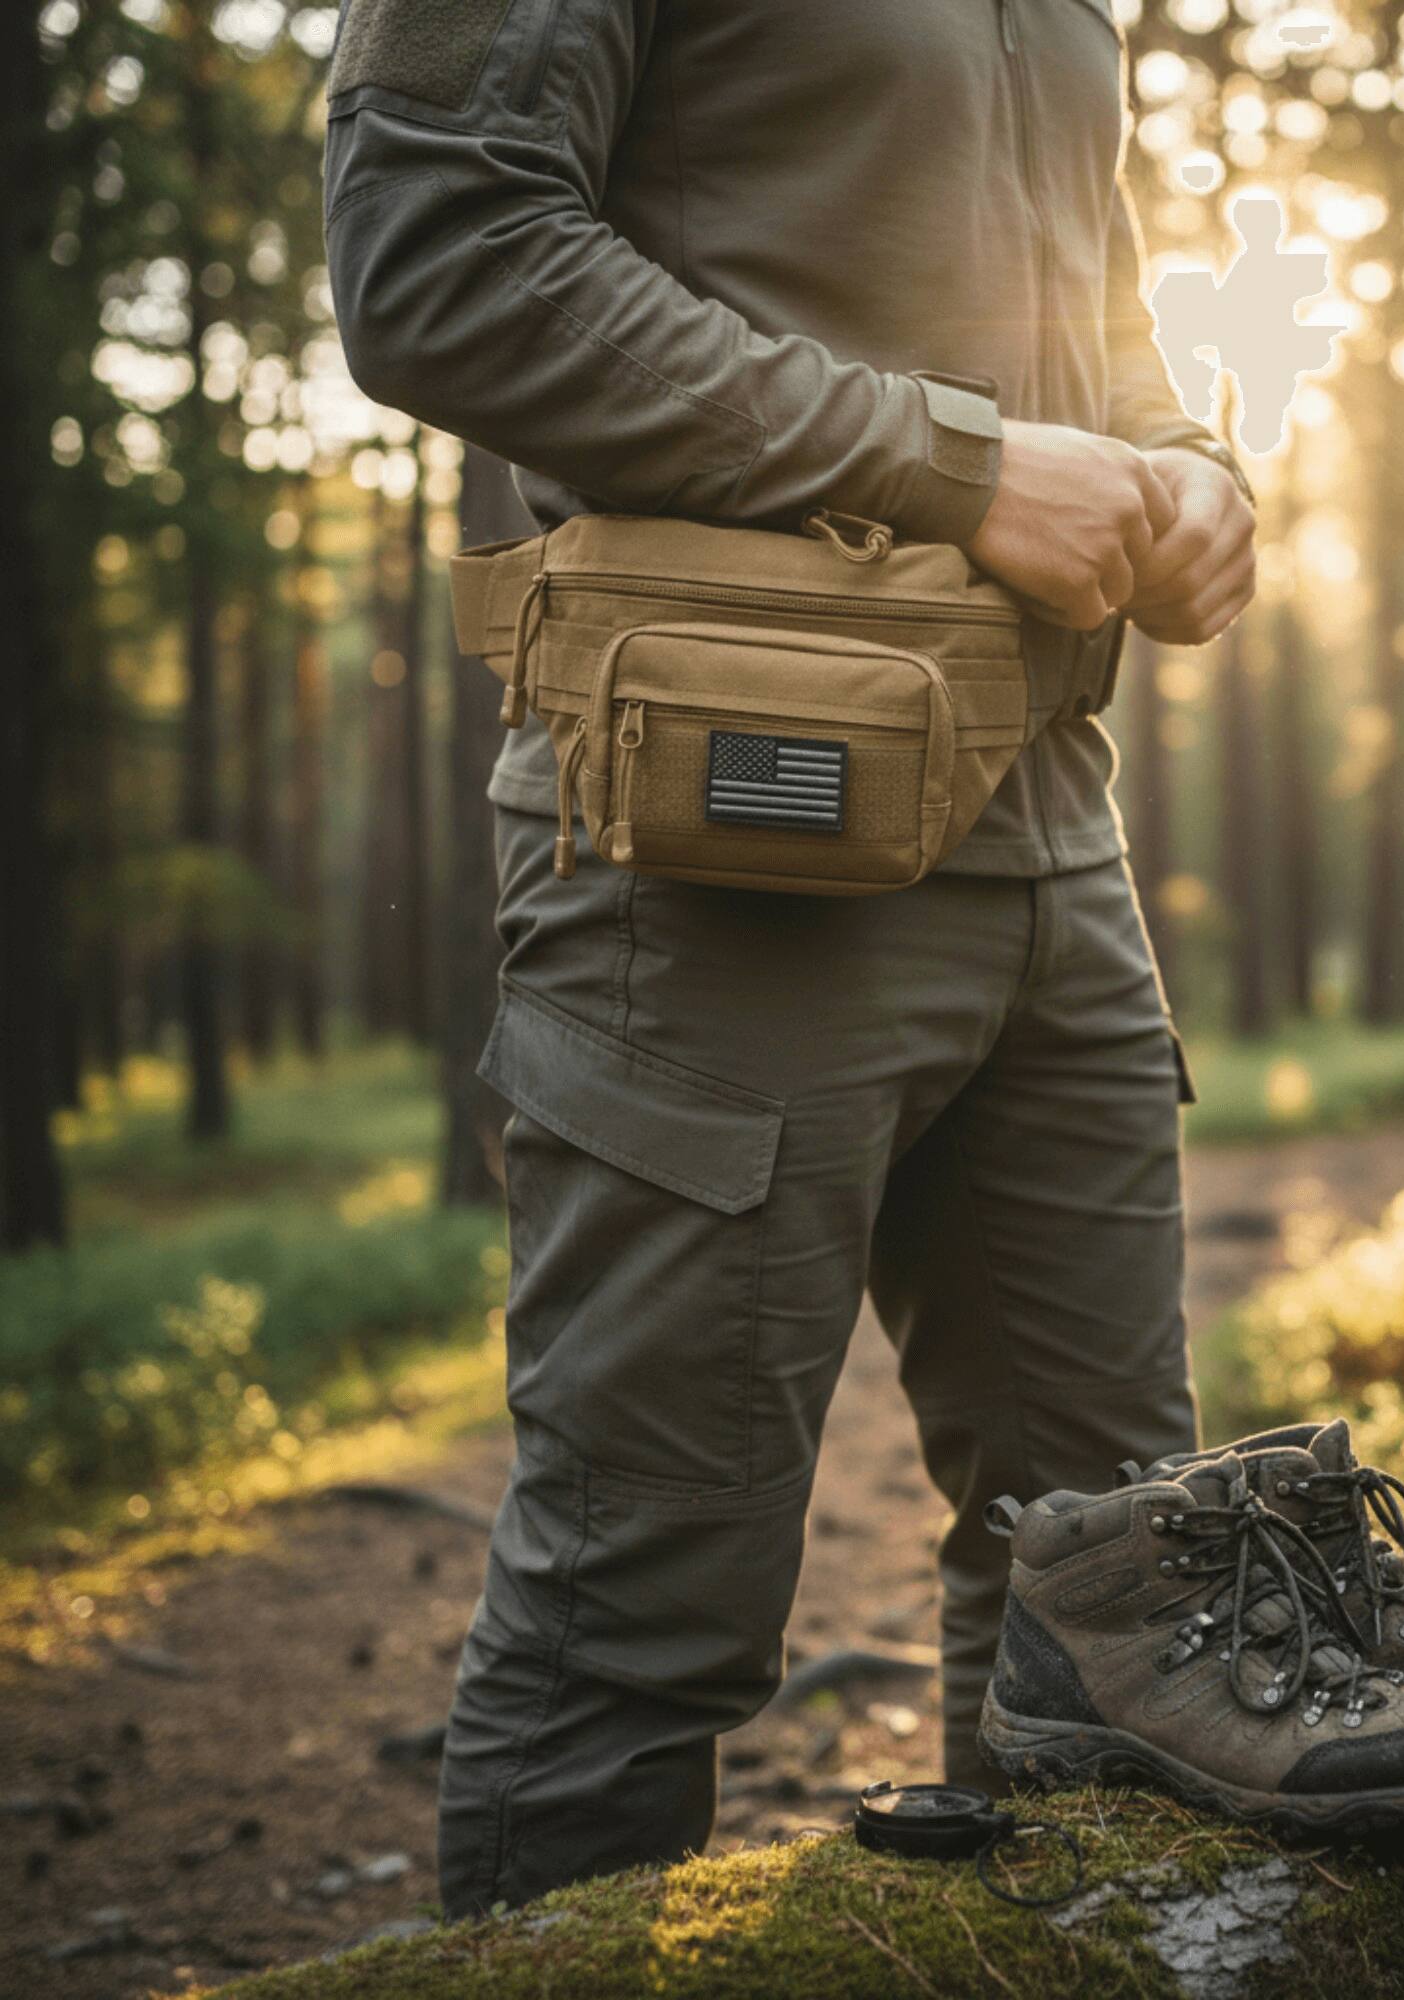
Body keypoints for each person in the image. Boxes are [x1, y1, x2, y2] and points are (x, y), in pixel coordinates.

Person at [322, 0, 1257, 1918]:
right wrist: (957, 468)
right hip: (717, 835)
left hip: (1047, 822)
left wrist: (1179, 460)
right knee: (636, 1616)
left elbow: (1083, 299)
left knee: (1110, 1585)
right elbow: (439, 258)